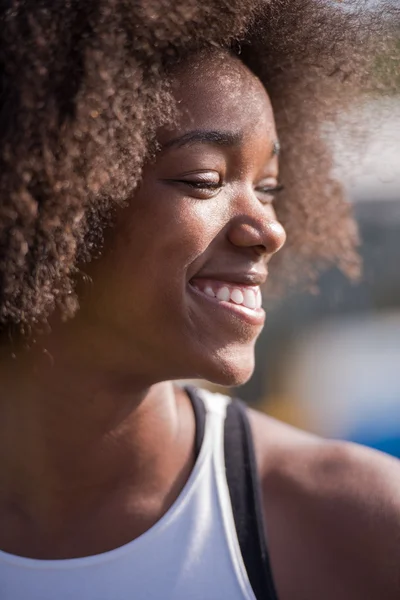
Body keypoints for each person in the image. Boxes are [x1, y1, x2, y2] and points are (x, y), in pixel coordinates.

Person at [0, 1, 399, 599]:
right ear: (47, 195)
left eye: (267, 188)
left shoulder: (360, 527)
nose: (268, 229)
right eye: (204, 180)